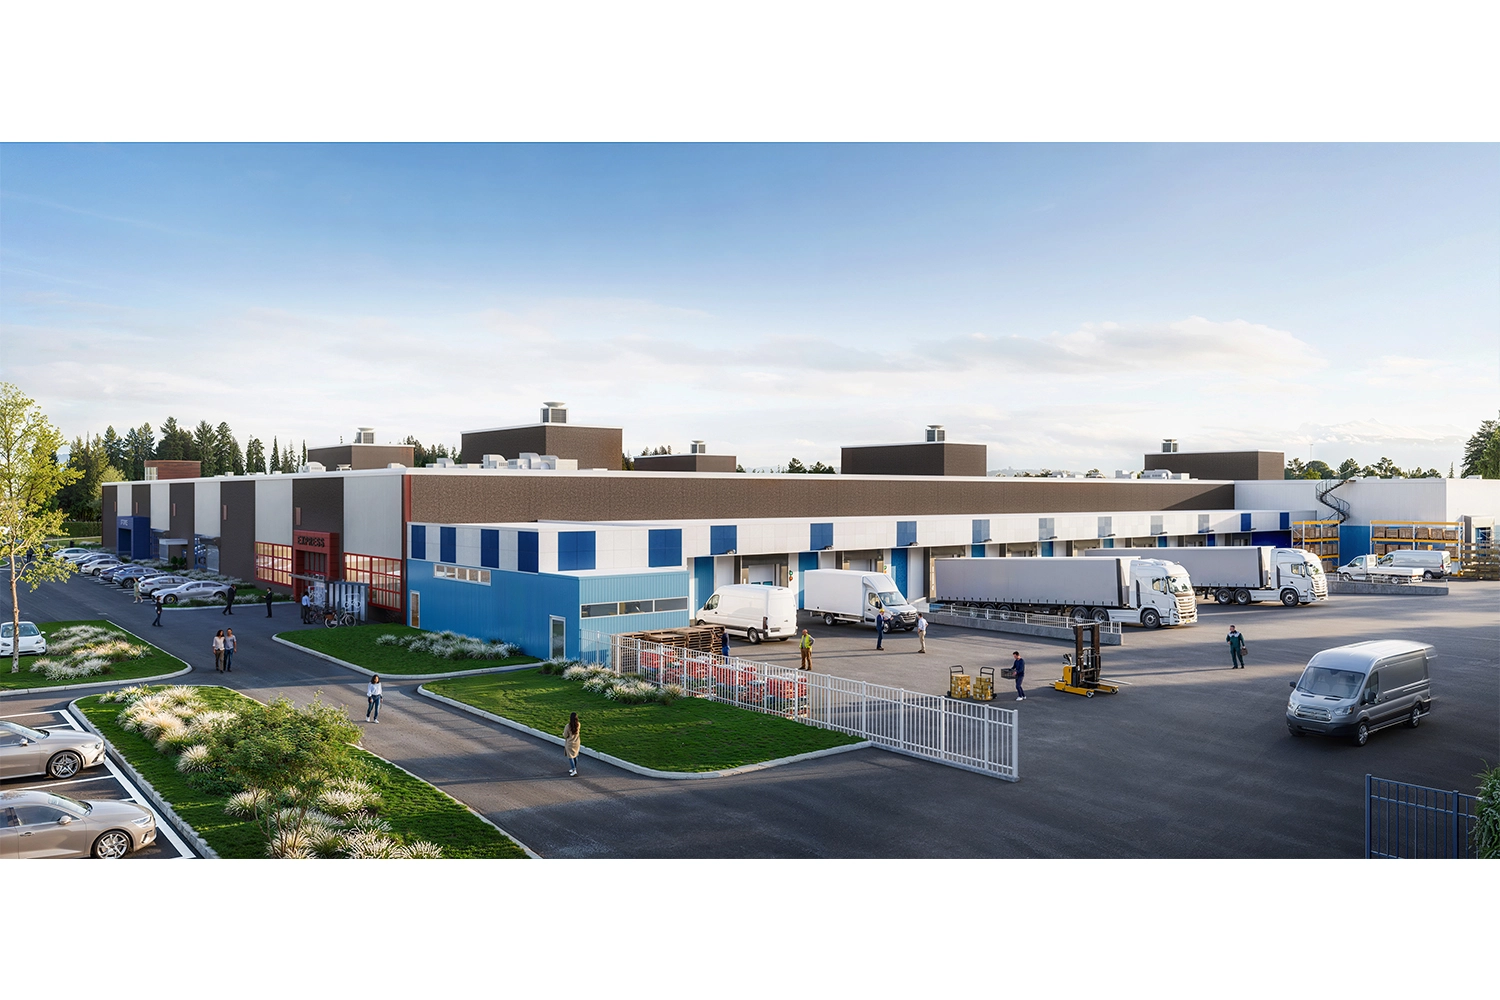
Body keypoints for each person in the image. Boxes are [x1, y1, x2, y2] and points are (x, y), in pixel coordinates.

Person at [563, 712, 581, 776]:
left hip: (570, 743)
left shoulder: (568, 726)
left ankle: (574, 770)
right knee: (575, 755)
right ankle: (574, 767)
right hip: (577, 743)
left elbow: (565, 735)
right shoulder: (578, 724)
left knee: (570, 757)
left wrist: (563, 734)